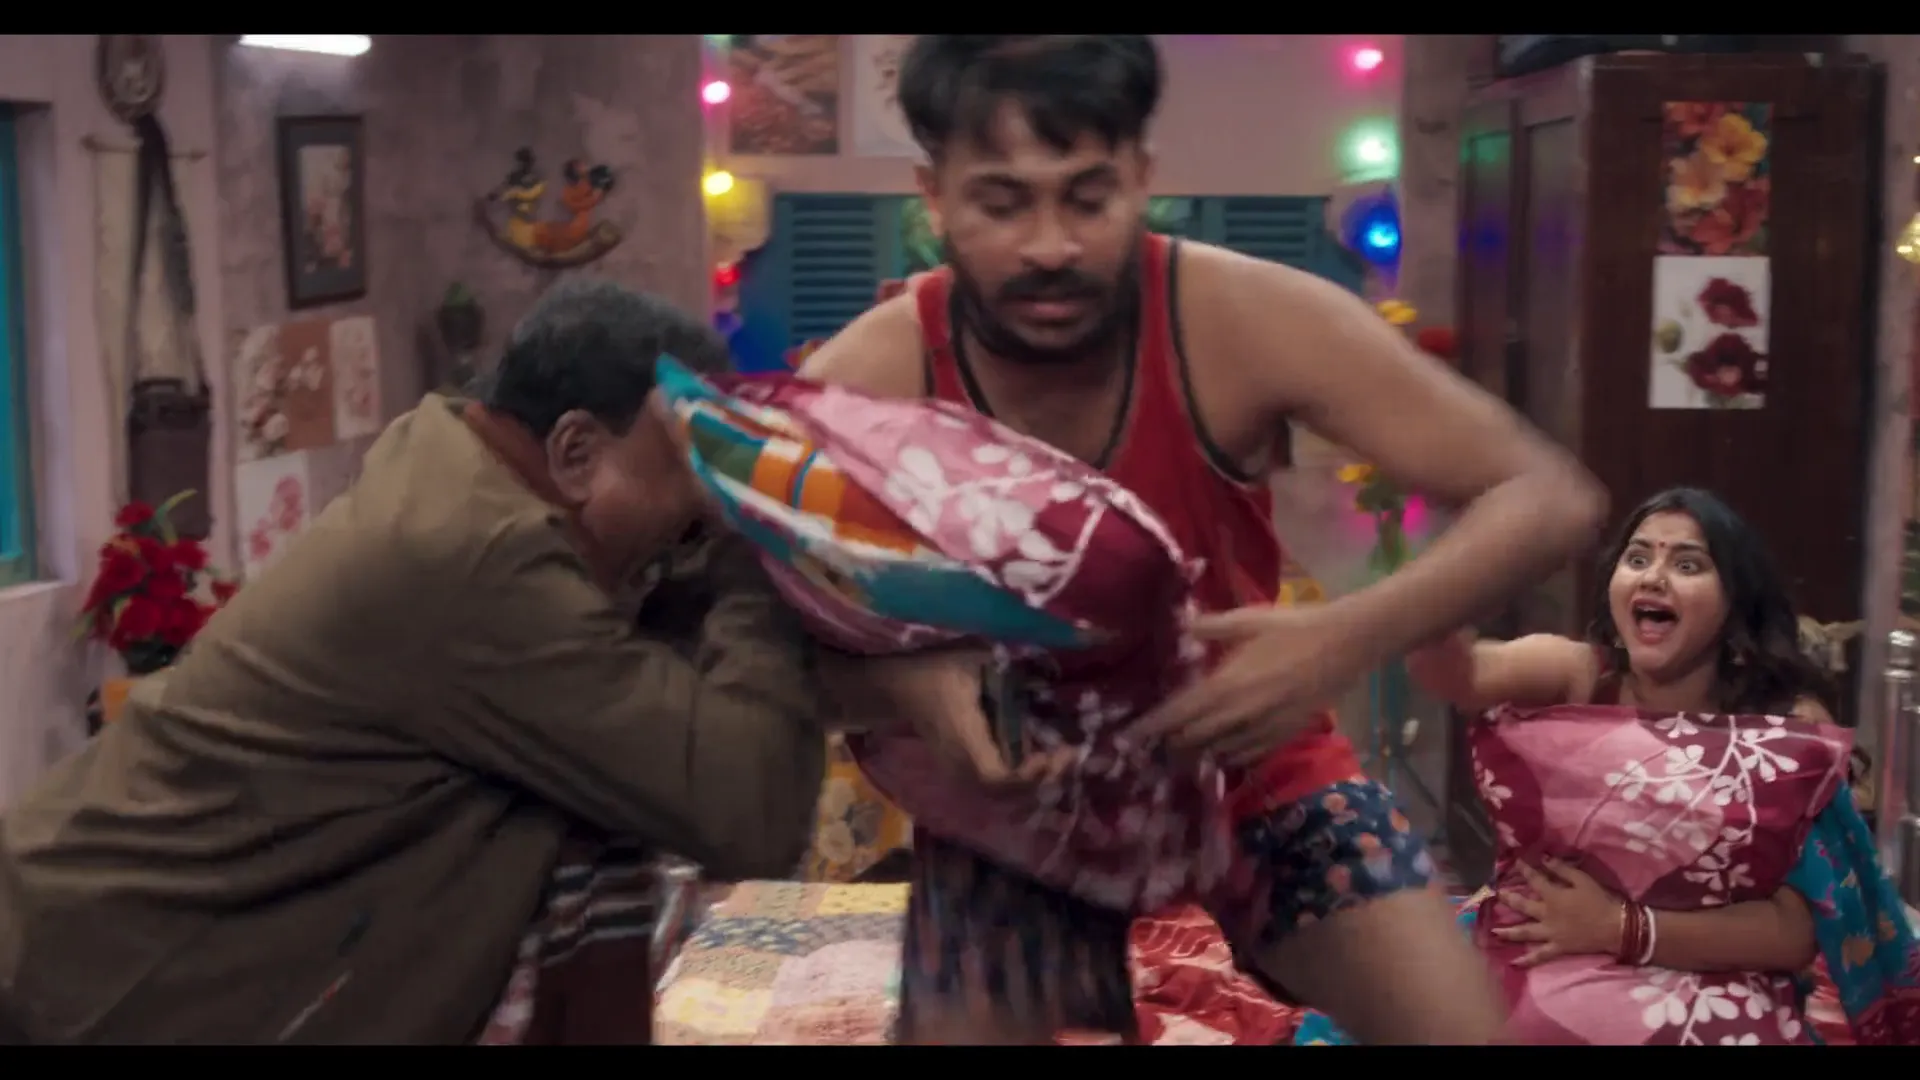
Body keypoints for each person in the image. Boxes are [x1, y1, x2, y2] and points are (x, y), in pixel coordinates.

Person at [800, 35, 1609, 1045]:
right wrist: (904, 685)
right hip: (1013, 810)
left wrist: (1343, 638)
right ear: (933, 196)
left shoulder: (1239, 317)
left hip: (1250, 759)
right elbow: (722, 635)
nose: (1049, 246)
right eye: (1002, 204)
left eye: (1087, 198)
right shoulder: (872, 376)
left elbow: (1549, 494)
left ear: (1143, 177)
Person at [0, 281, 828, 1044]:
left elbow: (665, 663)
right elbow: (748, 809)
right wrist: (759, 549)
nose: (699, 506)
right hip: (78, 976)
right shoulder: (477, 558)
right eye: (690, 469)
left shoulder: (469, 474)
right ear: (575, 451)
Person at [1290, 487, 1920, 1045]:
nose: (1654, 577)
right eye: (1637, 558)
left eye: (1688, 564)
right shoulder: (1581, 674)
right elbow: (1467, 674)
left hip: (1712, 970)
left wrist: (1620, 929)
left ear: (1734, 604)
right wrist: (1437, 607)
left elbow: (1793, 934)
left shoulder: (1782, 725)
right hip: (1543, 944)